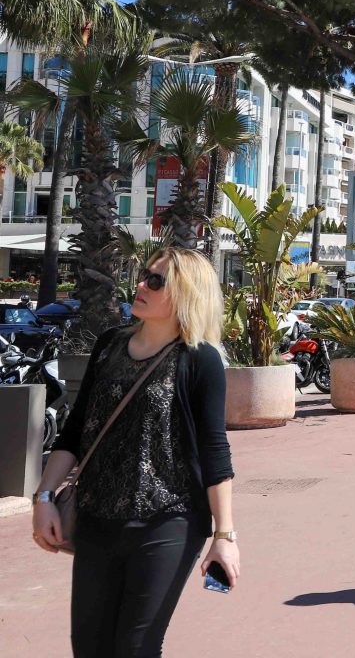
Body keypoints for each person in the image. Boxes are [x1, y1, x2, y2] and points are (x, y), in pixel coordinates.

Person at [31, 248, 239, 657]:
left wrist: (224, 535)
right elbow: (75, 431)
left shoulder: (200, 360)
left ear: (185, 294)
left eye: (156, 281)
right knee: (90, 647)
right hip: (95, 517)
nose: (141, 285)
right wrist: (43, 498)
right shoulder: (110, 345)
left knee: (136, 647)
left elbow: (215, 451)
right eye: (145, 275)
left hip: (169, 521)